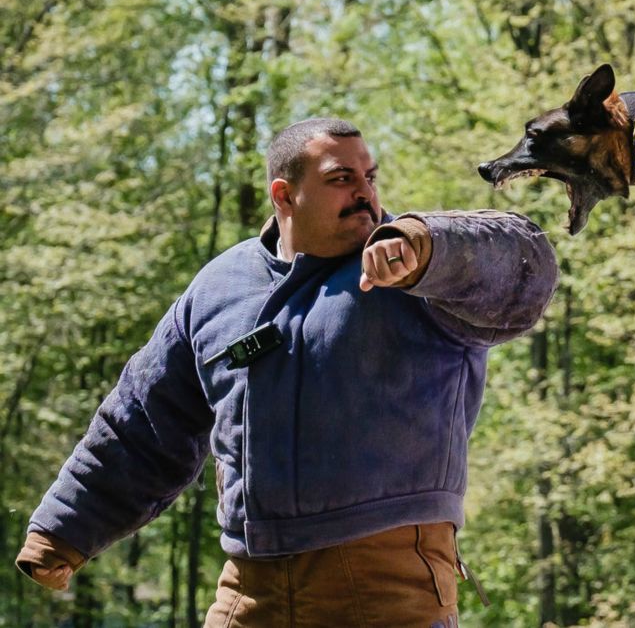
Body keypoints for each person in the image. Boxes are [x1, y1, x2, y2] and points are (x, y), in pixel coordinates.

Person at [16, 118, 558, 627]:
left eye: (369, 177)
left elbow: (522, 260)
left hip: (391, 591)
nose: (365, 193)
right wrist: (61, 530)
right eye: (341, 179)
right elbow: (144, 423)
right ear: (284, 194)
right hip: (250, 589)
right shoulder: (218, 288)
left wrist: (428, 247)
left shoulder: (415, 264)